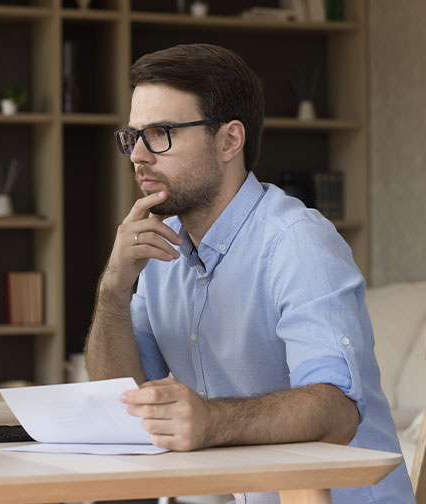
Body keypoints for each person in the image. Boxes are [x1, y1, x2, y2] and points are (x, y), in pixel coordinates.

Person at [84, 43, 414, 503]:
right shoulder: (161, 246)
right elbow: (124, 399)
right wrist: (113, 290)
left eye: (160, 133)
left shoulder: (297, 241)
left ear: (229, 141)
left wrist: (211, 421)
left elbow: (338, 410)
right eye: (133, 136)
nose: (138, 155)